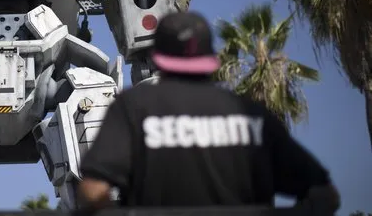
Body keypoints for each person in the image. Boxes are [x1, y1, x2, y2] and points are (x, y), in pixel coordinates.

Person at [77, 11, 340, 213]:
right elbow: (327, 196)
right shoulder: (253, 116)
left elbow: (92, 191)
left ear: (157, 57)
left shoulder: (133, 108)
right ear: (210, 59)